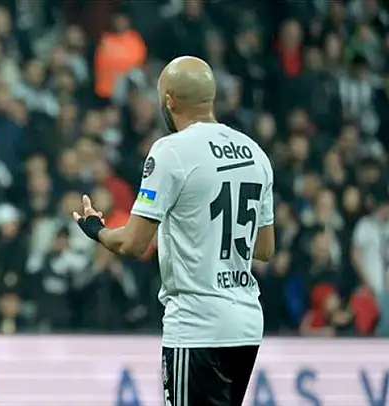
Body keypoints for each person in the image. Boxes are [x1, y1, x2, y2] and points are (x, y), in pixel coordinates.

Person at [74, 56, 275, 406]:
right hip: (246, 323)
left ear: (169, 100)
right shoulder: (254, 153)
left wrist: (96, 229)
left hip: (197, 324)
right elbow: (264, 248)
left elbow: (133, 243)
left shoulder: (171, 151)